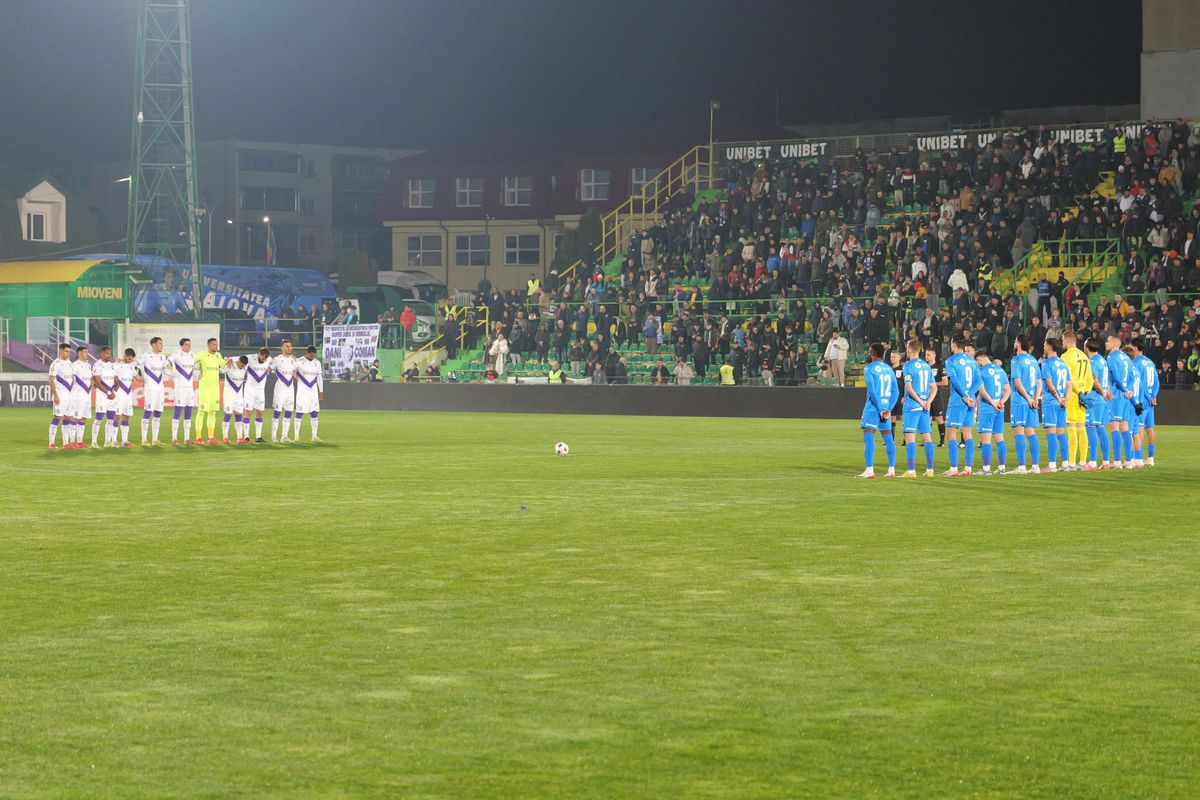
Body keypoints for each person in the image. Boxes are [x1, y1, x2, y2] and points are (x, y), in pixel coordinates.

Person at [858, 342, 898, 479]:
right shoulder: (889, 369)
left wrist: (880, 409)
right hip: (887, 408)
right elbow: (896, 392)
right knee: (888, 438)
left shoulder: (869, 369)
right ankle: (891, 470)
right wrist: (888, 409)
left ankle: (869, 470)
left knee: (868, 435)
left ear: (872, 353)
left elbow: (872, 391)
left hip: (873, 408)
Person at [943, 336, 979, 476]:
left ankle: (953, 469)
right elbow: (978, 380)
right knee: (968, 434)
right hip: (970, 400)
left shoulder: (950, 361)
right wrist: (970, 395)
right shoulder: (971, 360)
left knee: (951, 433)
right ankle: (968, 468)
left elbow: (955, 381)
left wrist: (964, 395)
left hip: (958, 400)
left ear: (954, 344)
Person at [900, 340, 936, 478]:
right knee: (927, 437)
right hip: (925, 408)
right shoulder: (926, 366)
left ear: (909, 350)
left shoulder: (908, 366)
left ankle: (911, 471)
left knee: (910, 437)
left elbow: (908, 387)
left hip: (912, 406)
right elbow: (934, 388)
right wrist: (928, 402)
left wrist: (921, 402)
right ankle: (930, 470)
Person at [1059, 329, 1093, 470]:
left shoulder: (1065, 357)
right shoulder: (1084, 356)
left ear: (1067, 340)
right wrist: (1085, 394)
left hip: (1072, 395)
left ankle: (1071, 462)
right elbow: (1090, 379)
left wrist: (1078, 393)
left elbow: (1067, 380)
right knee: (1081, 426)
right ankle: (1083, 461)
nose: (1062, 343)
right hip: (1083, 396)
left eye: (1062, 340)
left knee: (1071, 427)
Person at [1009, 335, 1042, 474]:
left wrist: (1028, 399)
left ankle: (1021, 467)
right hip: (1032, 401)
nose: (1014, 342)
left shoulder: (1016, 360)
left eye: (1016, 341)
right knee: (1031, 432)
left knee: (1019, 431)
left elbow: (1017, 382)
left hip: (1020, 401)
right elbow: (1040, 381)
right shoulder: (1033, 360)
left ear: (1020, 344)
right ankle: (1035, 466)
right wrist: (1035, 399)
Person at [1105, 334, 1140, 468]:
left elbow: (1116, 378)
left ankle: (1118, 461)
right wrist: (1129, 391)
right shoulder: (1126, 358)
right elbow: (1132, 377)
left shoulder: (1111, 357)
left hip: (1117, 396)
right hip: (1125, 397)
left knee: (1114, 427)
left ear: (1114, 343)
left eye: (1108, 341)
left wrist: (1113, 392)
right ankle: (1129, 461)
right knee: (1125, 428)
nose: (1106, 343)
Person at [974, 350, 1010, 475]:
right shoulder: (1000, 370)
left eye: (977, 362)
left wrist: (992, 402)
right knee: (1000, 439)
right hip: (999, 409)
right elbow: (1007, 390)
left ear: (980, 359)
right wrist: (1001, 402)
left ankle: (986, 468)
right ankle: (1002, 468)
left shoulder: (981, 371)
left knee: (986, 440)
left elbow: (983, 391)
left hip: (987, 408)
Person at [1040, 338, 1072, 473]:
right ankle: (1065, 464)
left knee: (1051, 433)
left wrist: (1059, 398)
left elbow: (1049, 383)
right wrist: (1066, 399)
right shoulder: (1063, 363)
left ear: (1049, 347)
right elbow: (1069, 384)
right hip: (1062, 403)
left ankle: (1052, 465)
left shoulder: (1046, 363)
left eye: (1045, 344)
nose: (1043, 347)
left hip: (1051, 402)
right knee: (1061, 433)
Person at [1129, 340, 1159, 466]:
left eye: (1131, 347)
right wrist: (1154, 397)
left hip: (1142, 400)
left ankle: (1138, 458)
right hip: (1151, 400)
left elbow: (1140, 384)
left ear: (1135, 348)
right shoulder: (1150, 362)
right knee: (1149, 428)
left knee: (1139, 428)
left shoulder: (1135, 363)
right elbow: (1157, 382)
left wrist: (1147, 397)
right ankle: (1151, 458)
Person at [1085, 337, 1113, 470]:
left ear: (1087, 347)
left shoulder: (1092, 362)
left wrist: (1102, 392)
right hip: (1103, 401)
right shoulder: (1103, 360)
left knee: (1091, 427)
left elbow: (1095, 381)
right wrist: (1107, 392)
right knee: (1101, 429)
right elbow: (1106, 379)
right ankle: (1106, 462)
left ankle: (1092, 462)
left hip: (1095, 398)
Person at [137, 337, 170, 445]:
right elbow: (135, 364)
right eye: (160, 343)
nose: (162, 345)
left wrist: (175, 373)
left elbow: (165, 370)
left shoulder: (163, 357)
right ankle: (144, 439)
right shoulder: (146, 355)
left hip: (160, 388)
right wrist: (136, 376)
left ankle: (155, 439)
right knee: (148, 412)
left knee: (158, 412)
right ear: (154, 345)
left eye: (162, 343)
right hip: (150, 388)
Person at [194, 338, 226, 445]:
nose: (216, 346)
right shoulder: (202, 355)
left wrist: (230, 362)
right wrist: (198, 371)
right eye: (213, 344)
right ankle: (198, 437)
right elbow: (192, 361)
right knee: (201, 412)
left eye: (216, 344)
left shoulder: (218, 355)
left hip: (215, 388)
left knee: (212, 412)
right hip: (204, 388)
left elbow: (224, 365)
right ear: (208, 345)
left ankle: (211, 437)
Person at [168, 338, 197, 445]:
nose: (188, 346)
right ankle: (174, 438)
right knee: (178, 412)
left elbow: (202, 362)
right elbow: (166, 361)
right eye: (186, 344)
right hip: (180, 388)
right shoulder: (176, 354)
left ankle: (186, 439)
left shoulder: (193, 355)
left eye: (189, 344)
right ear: (181, 346)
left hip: (190, 388)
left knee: (189, 413)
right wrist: (169, 372)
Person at [271, 340, 299, 443]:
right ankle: (274, 436)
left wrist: (300, 381)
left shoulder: (293, 360)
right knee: (277, 412)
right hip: (280, 390)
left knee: (289, 412)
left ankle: (284, 436)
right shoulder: (277, 359)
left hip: (290, 390)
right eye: (286, 346)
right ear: (282, 348)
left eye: (290, 346)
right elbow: (269, 369)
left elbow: (294, 373)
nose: (289, 348)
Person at [91, 346, 119, 448]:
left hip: (112, 396)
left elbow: (117, 382)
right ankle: (94, 442)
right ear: (102, 354)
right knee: (99, 418)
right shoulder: (97, 365)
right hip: (102, 396)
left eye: (110, 353)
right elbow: (98, 383)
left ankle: (107, 442)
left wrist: (114, 393)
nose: (109, 355)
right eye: (107, 353)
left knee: (111, 419)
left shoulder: (112, 366)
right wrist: (108, 393)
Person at [48, 343, 74, 449]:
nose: (68, 354)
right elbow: (51, 380)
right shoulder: (56, 364)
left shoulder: (69, 363)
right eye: (66, 351)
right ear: (60, 351)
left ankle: (65, 443)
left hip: (69, 395)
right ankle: (51, 443)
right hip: (60, 394)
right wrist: (55, 395)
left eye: (69, 352)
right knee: (57, 417)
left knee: (67, 417)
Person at [244, 347, 273, 442]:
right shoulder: (250, 358)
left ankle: (258, 436)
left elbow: (274, 362)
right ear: (259, 354)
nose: (263, 359)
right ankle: (246, 436)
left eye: (265, 358)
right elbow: (239, 358)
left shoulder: (269, 359)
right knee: (248, 412)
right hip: (250, 389)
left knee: (260, 412)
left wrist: (269, 367)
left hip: (260, 390)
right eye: (262, 357)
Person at [295, 346, 324, 442]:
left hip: (313, 391)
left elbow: (319, 377)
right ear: (307, 353)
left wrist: (321, 391)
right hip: (302, 391)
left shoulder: (317, 363)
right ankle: (296, 436)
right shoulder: (298, 361)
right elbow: (292, 371)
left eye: (314, 356)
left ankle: (314, 436)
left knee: (314, 412)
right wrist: (297, 378)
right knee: (300, 412)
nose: (313, 357)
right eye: (311, 355)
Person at [112, 348, 138, 447]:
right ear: (125, 355)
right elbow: (113, 376)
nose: (130, 360)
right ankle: (114, 440)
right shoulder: (117, 365)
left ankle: (125, 441)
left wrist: (147, 378)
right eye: (128, 358)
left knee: (126, 416)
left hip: (128, 395)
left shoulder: (131, 367)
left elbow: (137, 378)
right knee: (117, 416)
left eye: (132, 359)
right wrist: (116, 385)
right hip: (119, 394)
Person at [222, 355, 250, 443]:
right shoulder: (230, 365)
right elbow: (221, 371)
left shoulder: (244, 366)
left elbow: (253, 356)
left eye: (244, 366)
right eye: (242, 365)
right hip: (229, 393)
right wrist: (228, 363)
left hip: (239, 394)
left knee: (239, 414)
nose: (243, 368)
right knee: (228, 413)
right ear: (238, 361)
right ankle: (225, 437)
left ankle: (239, 438)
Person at [70, 345, 94, 448]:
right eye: (84, 352)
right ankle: (72, 441)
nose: (87, 354)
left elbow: (90, 378)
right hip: (78, 396)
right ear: (79, 353)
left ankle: (79, 441)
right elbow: (70, 379)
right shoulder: (74, 365)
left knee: (83, 418)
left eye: (87, 352)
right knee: (75, 418)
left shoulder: (88, 365)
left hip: (87, 396)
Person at [925, 349, 947, 446]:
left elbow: (945, 382)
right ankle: (927, 441)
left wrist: (932, 384)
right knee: (927, 419)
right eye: (926, 354)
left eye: (929, 354)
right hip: (925, 397)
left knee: (939, 419)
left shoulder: (940, 367)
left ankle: (942, 441)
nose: (926, 356)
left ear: (934, 355)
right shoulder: (924, 368)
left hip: (936, 397)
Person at [889, 349, 905, 434]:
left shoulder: (903, 369)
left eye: (894, 357)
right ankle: (891, 439)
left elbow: (907, 384)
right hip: (891, 398)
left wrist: (905, 396)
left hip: (901, 397)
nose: (892, 358)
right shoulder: (889, 370)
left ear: (899, 358)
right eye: (891, 357)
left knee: (903, 418)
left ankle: (906, 439)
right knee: (892, 418)